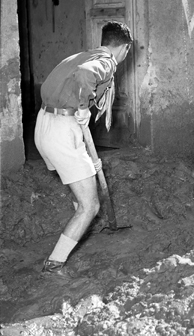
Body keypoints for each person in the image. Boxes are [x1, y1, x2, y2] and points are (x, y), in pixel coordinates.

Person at [34, 20, 133, 277]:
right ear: (125, 48)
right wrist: (81, 108)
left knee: (83, 189)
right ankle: (54, 265)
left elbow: (58, 81)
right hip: (62, 130)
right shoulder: (106, 62)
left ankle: (77, 220)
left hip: (45, 124)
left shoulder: (83, 54)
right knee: (91, 207)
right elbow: (86, 76)